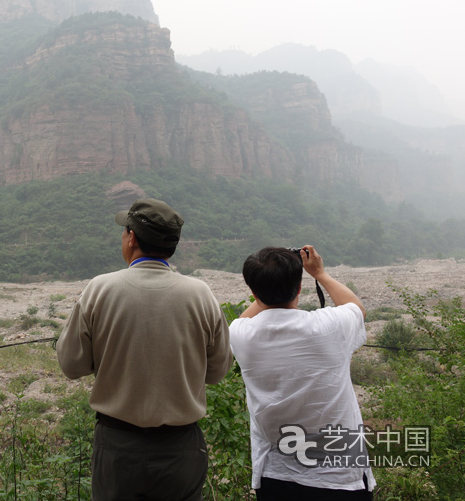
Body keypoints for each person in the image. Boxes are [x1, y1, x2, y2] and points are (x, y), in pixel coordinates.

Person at [56, 198, 233, 501]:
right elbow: (217, 372)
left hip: (117, 448)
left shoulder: (100, 289)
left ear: (132, 238)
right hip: (181, 448)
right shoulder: (200, 294)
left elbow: (72, 366)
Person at [229, 246, 376, 500]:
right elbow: (356, 308)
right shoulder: (329, 326)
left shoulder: (241, 334)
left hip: (276, 475)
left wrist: (267, 282)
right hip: (340, 477)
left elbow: (244, 319)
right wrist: (319, 274)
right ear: (299, 288)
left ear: (253, 292)